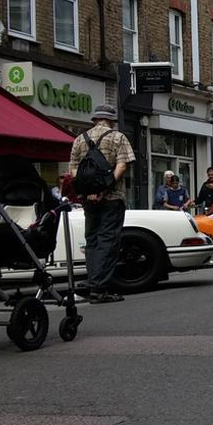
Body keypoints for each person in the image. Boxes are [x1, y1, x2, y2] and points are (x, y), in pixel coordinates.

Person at [69, 104, 136, 303]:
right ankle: (100, 288)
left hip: (87, 199)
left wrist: (87, 192)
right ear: (111, 121)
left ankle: (92, 281)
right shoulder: (118, 137)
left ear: (94, 120)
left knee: (92, 239)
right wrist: (103, 189)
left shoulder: (80, 139)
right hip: (112, 198)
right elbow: (122, 165)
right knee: (108, 240)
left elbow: (73, 170)